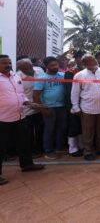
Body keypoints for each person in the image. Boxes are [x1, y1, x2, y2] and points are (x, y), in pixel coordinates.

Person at [0, 54, 45, 185]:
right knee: (0, 147)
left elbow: (20, 94)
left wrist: (29, 103)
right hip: (2, 118)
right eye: (4, 63)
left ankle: (27, 165)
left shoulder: (15, 76)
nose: (8, 65)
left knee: (24, 143)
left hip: (20, 115)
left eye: (9, 62)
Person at [71, 55, 100, 161]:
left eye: (94, 59)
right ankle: (88, 151)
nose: (94, 62)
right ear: (84, 64)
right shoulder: (79, 75)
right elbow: (75, 93)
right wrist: (75, 107)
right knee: (88, 132)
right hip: (88, 109)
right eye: (90, 61)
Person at [33, 57, 68, 160]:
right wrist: (43, 109)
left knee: (61, 128)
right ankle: (48, 151)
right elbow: (35, 96)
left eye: (56, 64)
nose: (55, 67)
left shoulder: (62, 76)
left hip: (62, 107)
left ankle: (59, 148)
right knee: (49, 130)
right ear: (46, 66)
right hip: (49, 108)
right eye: (52, 65)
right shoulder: (42, 77)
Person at [16, 59, 43, 157]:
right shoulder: (17, 78)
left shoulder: (39, 70)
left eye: (30, 66)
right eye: (26, 68)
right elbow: (18, 95)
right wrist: (29, 103)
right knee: (28, 133)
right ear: (20, 68)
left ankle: (40, 148)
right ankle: (30, 152)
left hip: (40, 107)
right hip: (26, 110)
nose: (30, 69)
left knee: (40, 129)